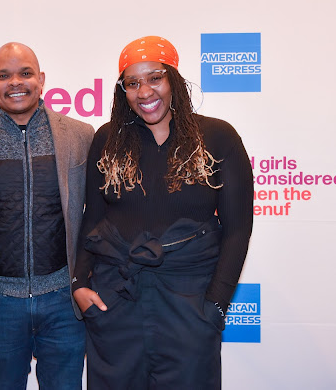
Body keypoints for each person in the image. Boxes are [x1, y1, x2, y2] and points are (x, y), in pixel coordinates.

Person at [72, 36, 254, 389]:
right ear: (123, 91)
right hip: (116, 300)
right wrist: (79, 283)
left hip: (190, 302)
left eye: (155, 78)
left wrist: (216, 305)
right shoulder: (108, 139)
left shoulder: (217, 137)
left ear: (173, 79)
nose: (144, 92)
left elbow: (237, 228)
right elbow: (92, 219)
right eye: (132, 83)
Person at [0, 42, 94, 390]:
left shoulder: (81, 136)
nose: (15, 82)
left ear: (41, 79)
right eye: (4, 76)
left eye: (25, 73)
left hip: (64, 302)